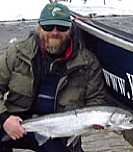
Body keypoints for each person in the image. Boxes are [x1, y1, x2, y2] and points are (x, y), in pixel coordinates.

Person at [0, 2, 107, 152]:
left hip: (61, 131)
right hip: (16, 121)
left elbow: (96, 100)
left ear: (70, 29)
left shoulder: (87, 63)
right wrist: (4, 119)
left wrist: (96, 120)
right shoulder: (17, 53)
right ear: (39, 27)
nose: (55, 32)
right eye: (49, 27)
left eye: (61, 27)